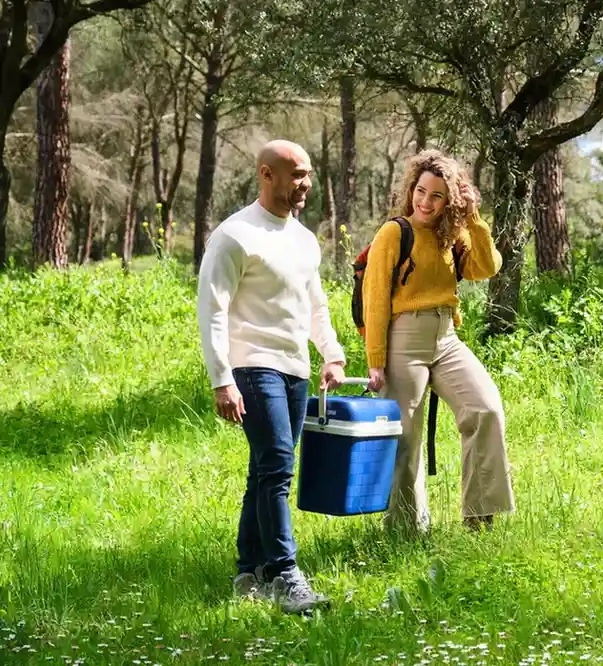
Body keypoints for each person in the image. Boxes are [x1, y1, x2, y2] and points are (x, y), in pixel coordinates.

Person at [196, 139, 348, 614]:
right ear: (266, 174)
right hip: (251, 365)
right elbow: (212, 311)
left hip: (294, 368)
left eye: (307, 174)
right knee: (279, 466)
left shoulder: (303, 239)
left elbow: (315, 305)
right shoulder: (235, 236)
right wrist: (222, 378)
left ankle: (249, 570)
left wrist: (332, 352)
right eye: (297, 174)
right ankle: (285, 574)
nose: (305, 184)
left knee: (263, 471)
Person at [362, 149, 515, 535]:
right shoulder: (395, 232)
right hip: (404, 338)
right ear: (411, 188)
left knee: (486, 410)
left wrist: (474, 218)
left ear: (450, 202)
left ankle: (479, 520)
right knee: (404, 436)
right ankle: (405, 529)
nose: (425, 202)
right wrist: (375, 360)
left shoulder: (453, 235)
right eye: (421, 191)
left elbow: (488, 267)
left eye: (436, 196)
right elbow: (375, 298)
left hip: (446, 337)